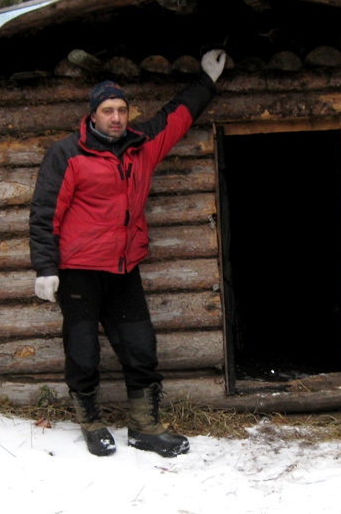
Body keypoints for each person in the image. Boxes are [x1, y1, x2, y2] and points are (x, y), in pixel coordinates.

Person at [29, 49, 227, 458]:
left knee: (141, 348)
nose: (116, 117)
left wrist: (206, 80)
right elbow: (45, 212)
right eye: (108, 110)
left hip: (124, 269)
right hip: (79, 270)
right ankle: (91, 422)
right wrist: (45, 267)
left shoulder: (141, 147)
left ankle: (144, 427)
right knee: (82, 352)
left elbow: (176, 117)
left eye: (121, 109)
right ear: (93, 115)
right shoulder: (67, 154)